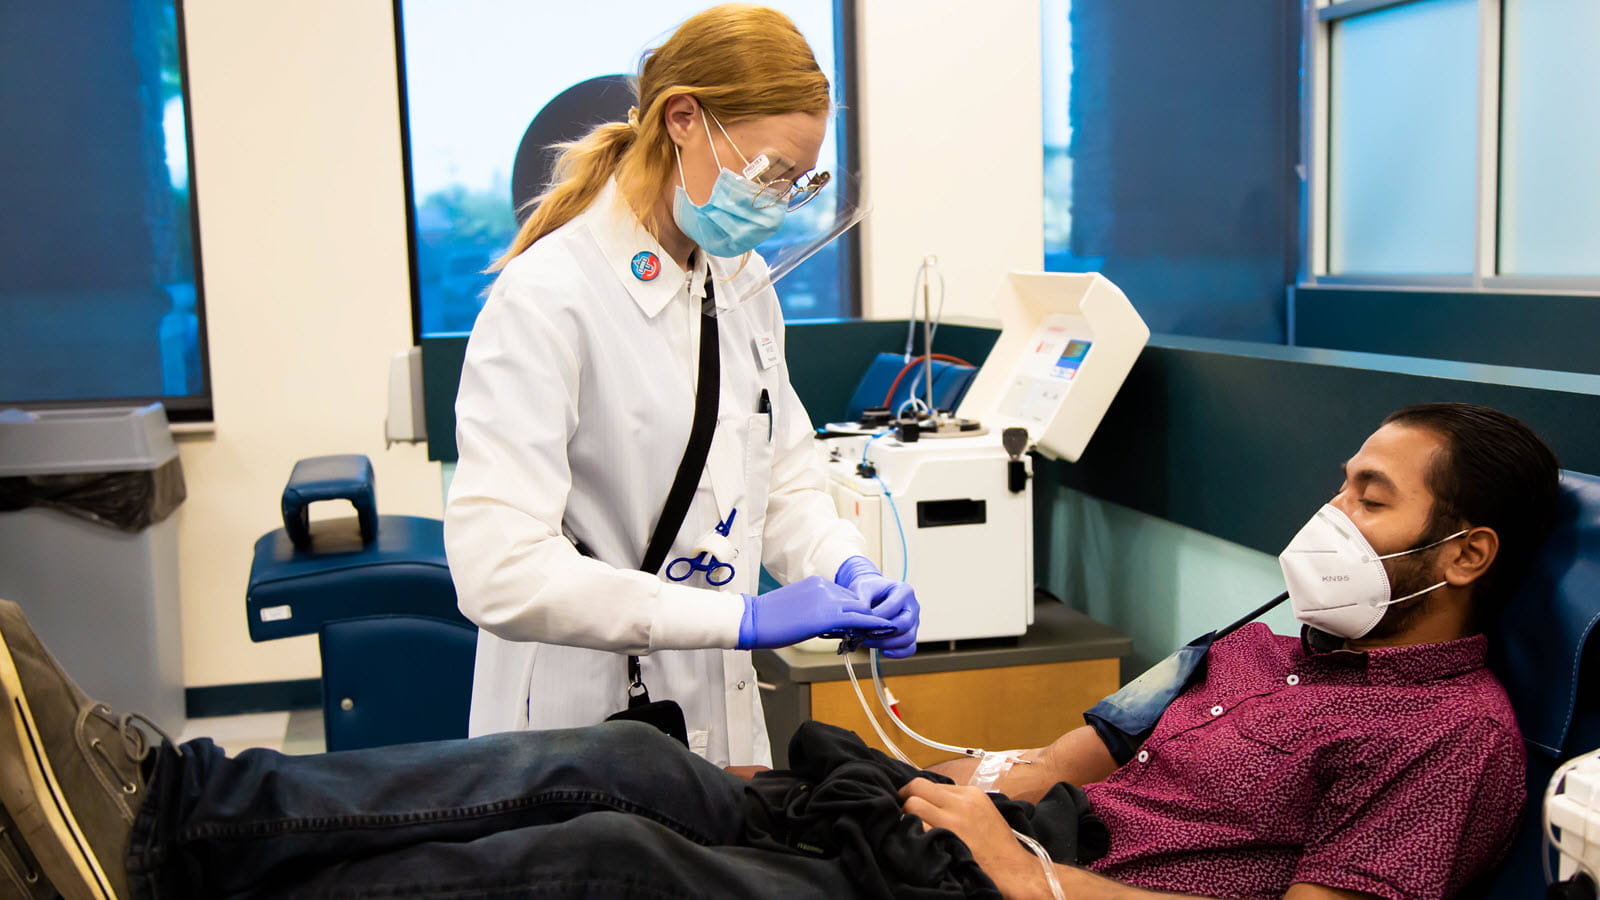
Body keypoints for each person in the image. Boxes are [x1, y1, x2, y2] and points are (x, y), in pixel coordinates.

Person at [0, 403, 1561, 898]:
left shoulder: (1461, 743)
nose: (1326, 516)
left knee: (605, 856)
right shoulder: (1281, 637)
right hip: (999, 833)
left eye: (1367, 494)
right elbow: (1121, 721)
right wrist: (1004, 780)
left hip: (1031, 894)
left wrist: (1035, 878)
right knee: (631, 757)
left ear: (1465, 552)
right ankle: (173, 807)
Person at [444, 4, 918, 767]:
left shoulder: (742, 281)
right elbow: (498, 568)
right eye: (770, 173)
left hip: (716, 707)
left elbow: (785, 479)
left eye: (798, 183)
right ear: (683, 119)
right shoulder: (549, 297)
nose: (775, 203)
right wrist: (739, 618)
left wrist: (846, 568)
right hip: (579, 716)